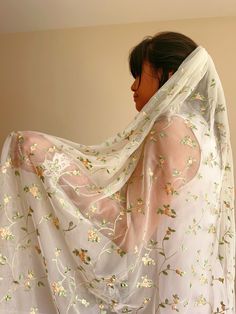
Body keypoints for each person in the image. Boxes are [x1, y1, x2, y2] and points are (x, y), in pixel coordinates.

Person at [0, 31, 235, 313]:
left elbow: (129, 233)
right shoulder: (206, 138)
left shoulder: (170, 128)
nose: (133, 86)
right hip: (199, 296)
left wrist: (49, 162)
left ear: (169, 74)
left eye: (139, 74)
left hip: (168, 295)